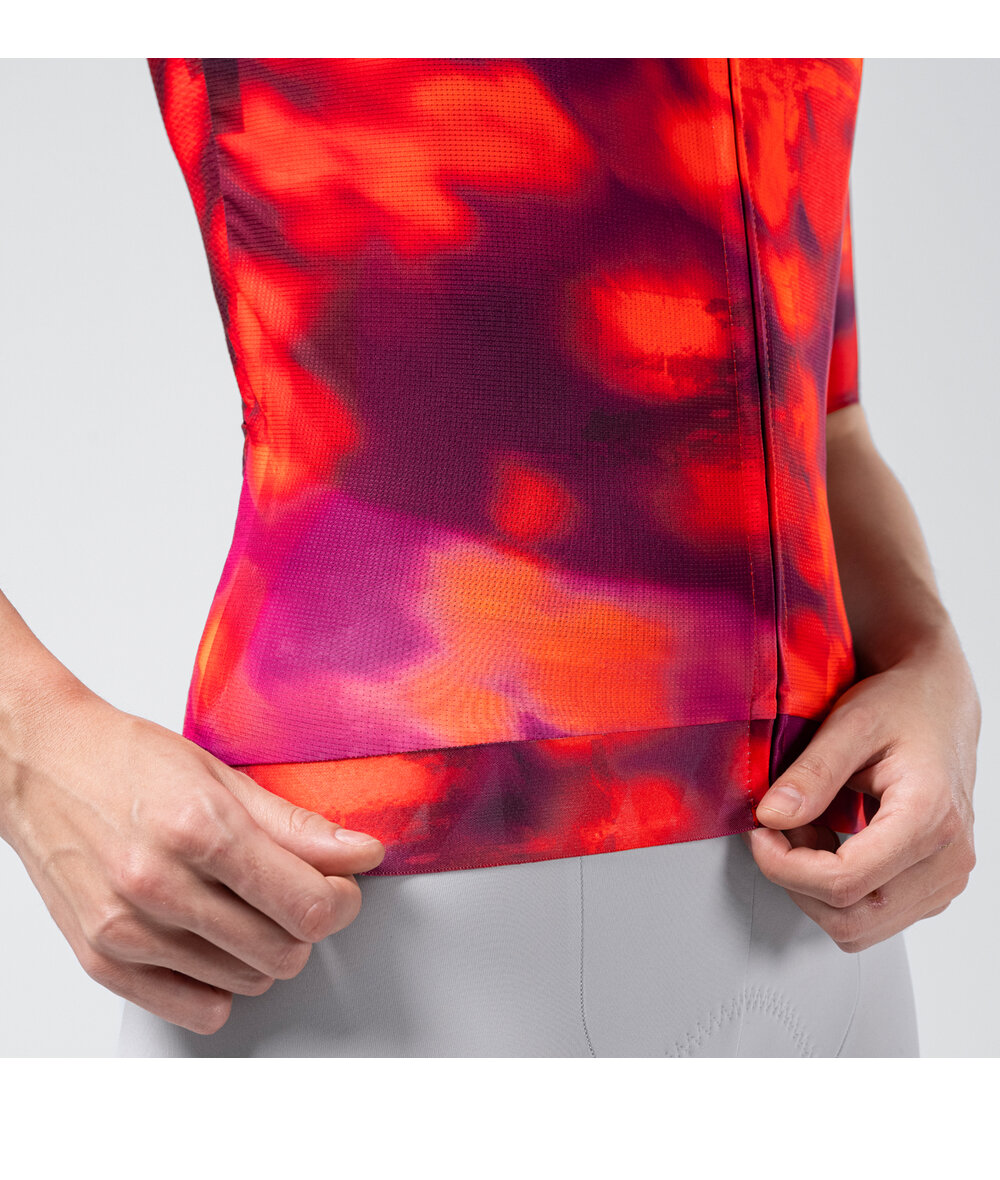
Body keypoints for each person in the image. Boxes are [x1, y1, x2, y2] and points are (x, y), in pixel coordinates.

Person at [0, 58, 979, 1057]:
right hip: (389, 907)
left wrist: (924, 654)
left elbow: (819, 416)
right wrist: (30, 747)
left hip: (834, 920)